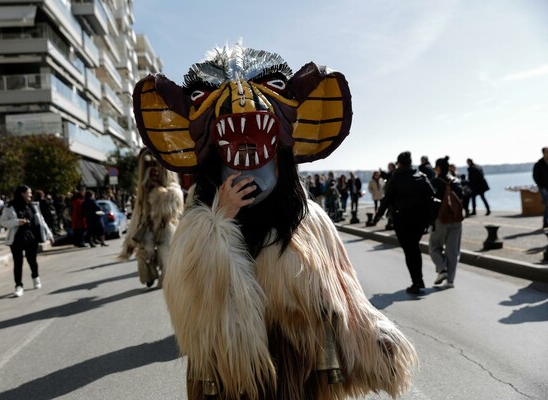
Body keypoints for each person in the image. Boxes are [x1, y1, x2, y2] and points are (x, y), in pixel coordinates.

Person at [133, 43, 416, 399]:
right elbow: (190, 297)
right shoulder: (199, 218)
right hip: (229, 372)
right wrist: (220, 219)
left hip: (300, 364)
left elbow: (342, 285)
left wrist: (369, 332)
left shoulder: (308, 219)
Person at [119, 149, 184, 287]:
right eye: (149, 164)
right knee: (145, 250)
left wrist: (161, 195)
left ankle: (166, 276)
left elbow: (173, 208)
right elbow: (140, 209)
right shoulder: (144, 188)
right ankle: (148, 273)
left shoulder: (173, 190)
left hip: (165, 224)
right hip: (147, 222)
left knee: (165, 250)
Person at [373, 151, 435, 295]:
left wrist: (377, 216)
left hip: (402, 220)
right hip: (420, 220)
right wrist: (431, 219)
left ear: (399, 164)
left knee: (410, 250)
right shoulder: (421, 176)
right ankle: (418, 280)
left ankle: (417, 281)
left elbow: (387, 199)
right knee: (414, 248)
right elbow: (431, 195)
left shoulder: (396, 178)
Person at [1, 185, 54, 297]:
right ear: (22, 193)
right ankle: (18, 286)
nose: (31, 195)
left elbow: (41, 220)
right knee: (18, 263)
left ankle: (35, 276)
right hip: (16, 238)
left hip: (31, 237)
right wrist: (16, 222)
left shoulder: (33, 205)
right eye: (29, 193)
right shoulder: (10, 206)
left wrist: (49, 234)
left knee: (32, 260)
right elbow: (3, 222)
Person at [429, 156, 463, 289]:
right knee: (453, 251)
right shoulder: (456, 181)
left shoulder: (435, 182)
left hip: (441, 220)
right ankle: (450, 281)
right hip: (456, 219)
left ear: (438, 168)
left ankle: (442, 269)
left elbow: (431, 202)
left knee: (434, 247)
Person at [533, 147, 548, 228]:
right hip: (543, 187)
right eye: (547, 152)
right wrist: (540, 185)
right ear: (543, 153)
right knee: (547, 204)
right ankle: (545, 222)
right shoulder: (539, 164)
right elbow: (535, 176)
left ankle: (545, 222)